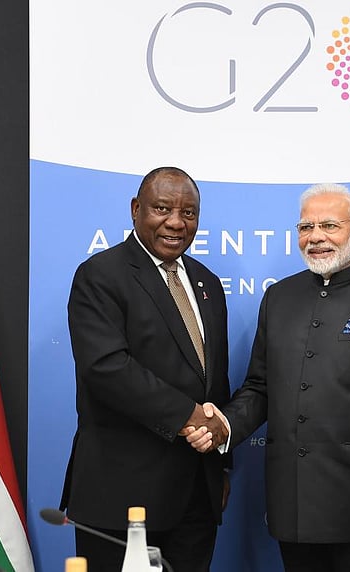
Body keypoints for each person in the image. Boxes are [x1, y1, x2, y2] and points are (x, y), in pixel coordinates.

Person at [187, 183, 350, 572]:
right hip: (295, 507)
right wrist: (223, 425)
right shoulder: (279, 298)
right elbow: (259, 388)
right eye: (306, 227)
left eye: (329, 225)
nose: (316, 237)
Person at [61, 166, 231, 572]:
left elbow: (214, 381)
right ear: (136, 209)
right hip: (122, 496)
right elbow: (107, 368)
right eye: (162, 208)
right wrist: (188, 416)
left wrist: (221, 461)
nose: (176, 222)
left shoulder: (207, 283)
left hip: (196, 495)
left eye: (189, 213)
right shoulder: (100, 276)